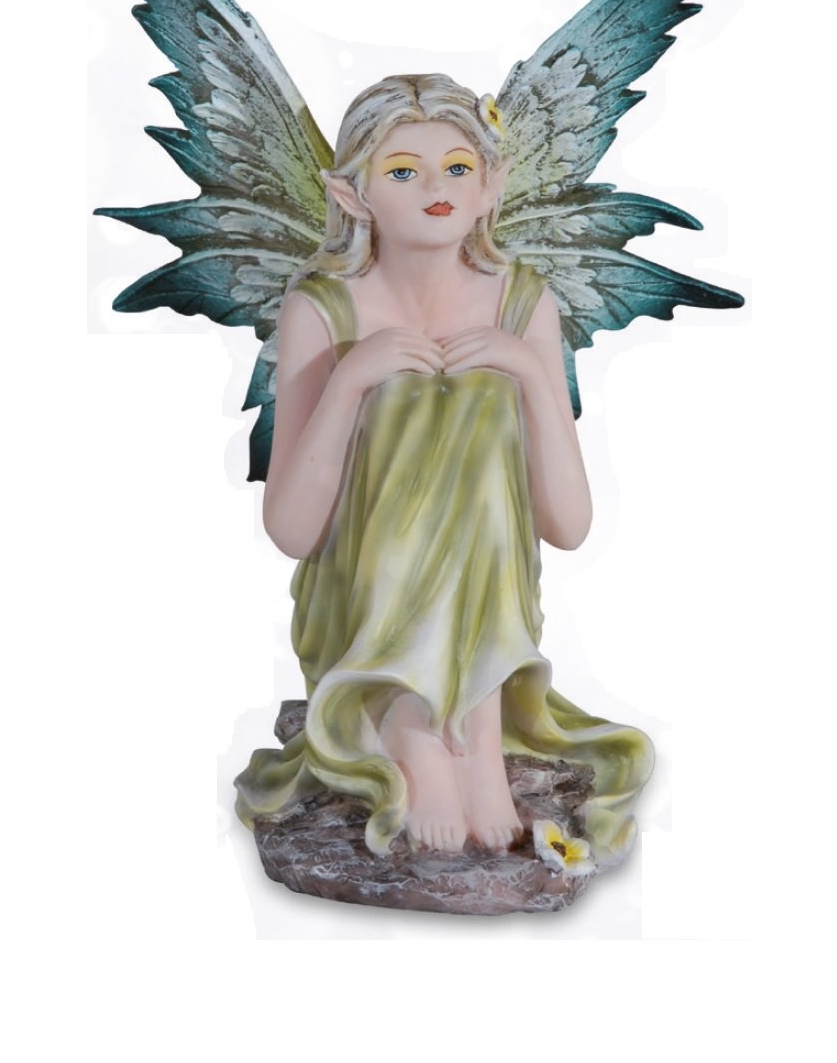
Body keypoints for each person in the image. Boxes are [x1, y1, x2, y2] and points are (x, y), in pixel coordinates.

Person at [234, 75, 653, 863]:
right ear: (351, 195)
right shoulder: (323, 308)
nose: (437, 189)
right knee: (408, 400)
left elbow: (568, 524)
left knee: (481, 402)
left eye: (458, 168)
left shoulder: (520, 302)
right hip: (359, 613)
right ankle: (410, 725)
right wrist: (351, 382)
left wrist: (528, 374)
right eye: (403, 171)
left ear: (492, 185)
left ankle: (476, 728)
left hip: (490, 600)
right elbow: (291, 530)